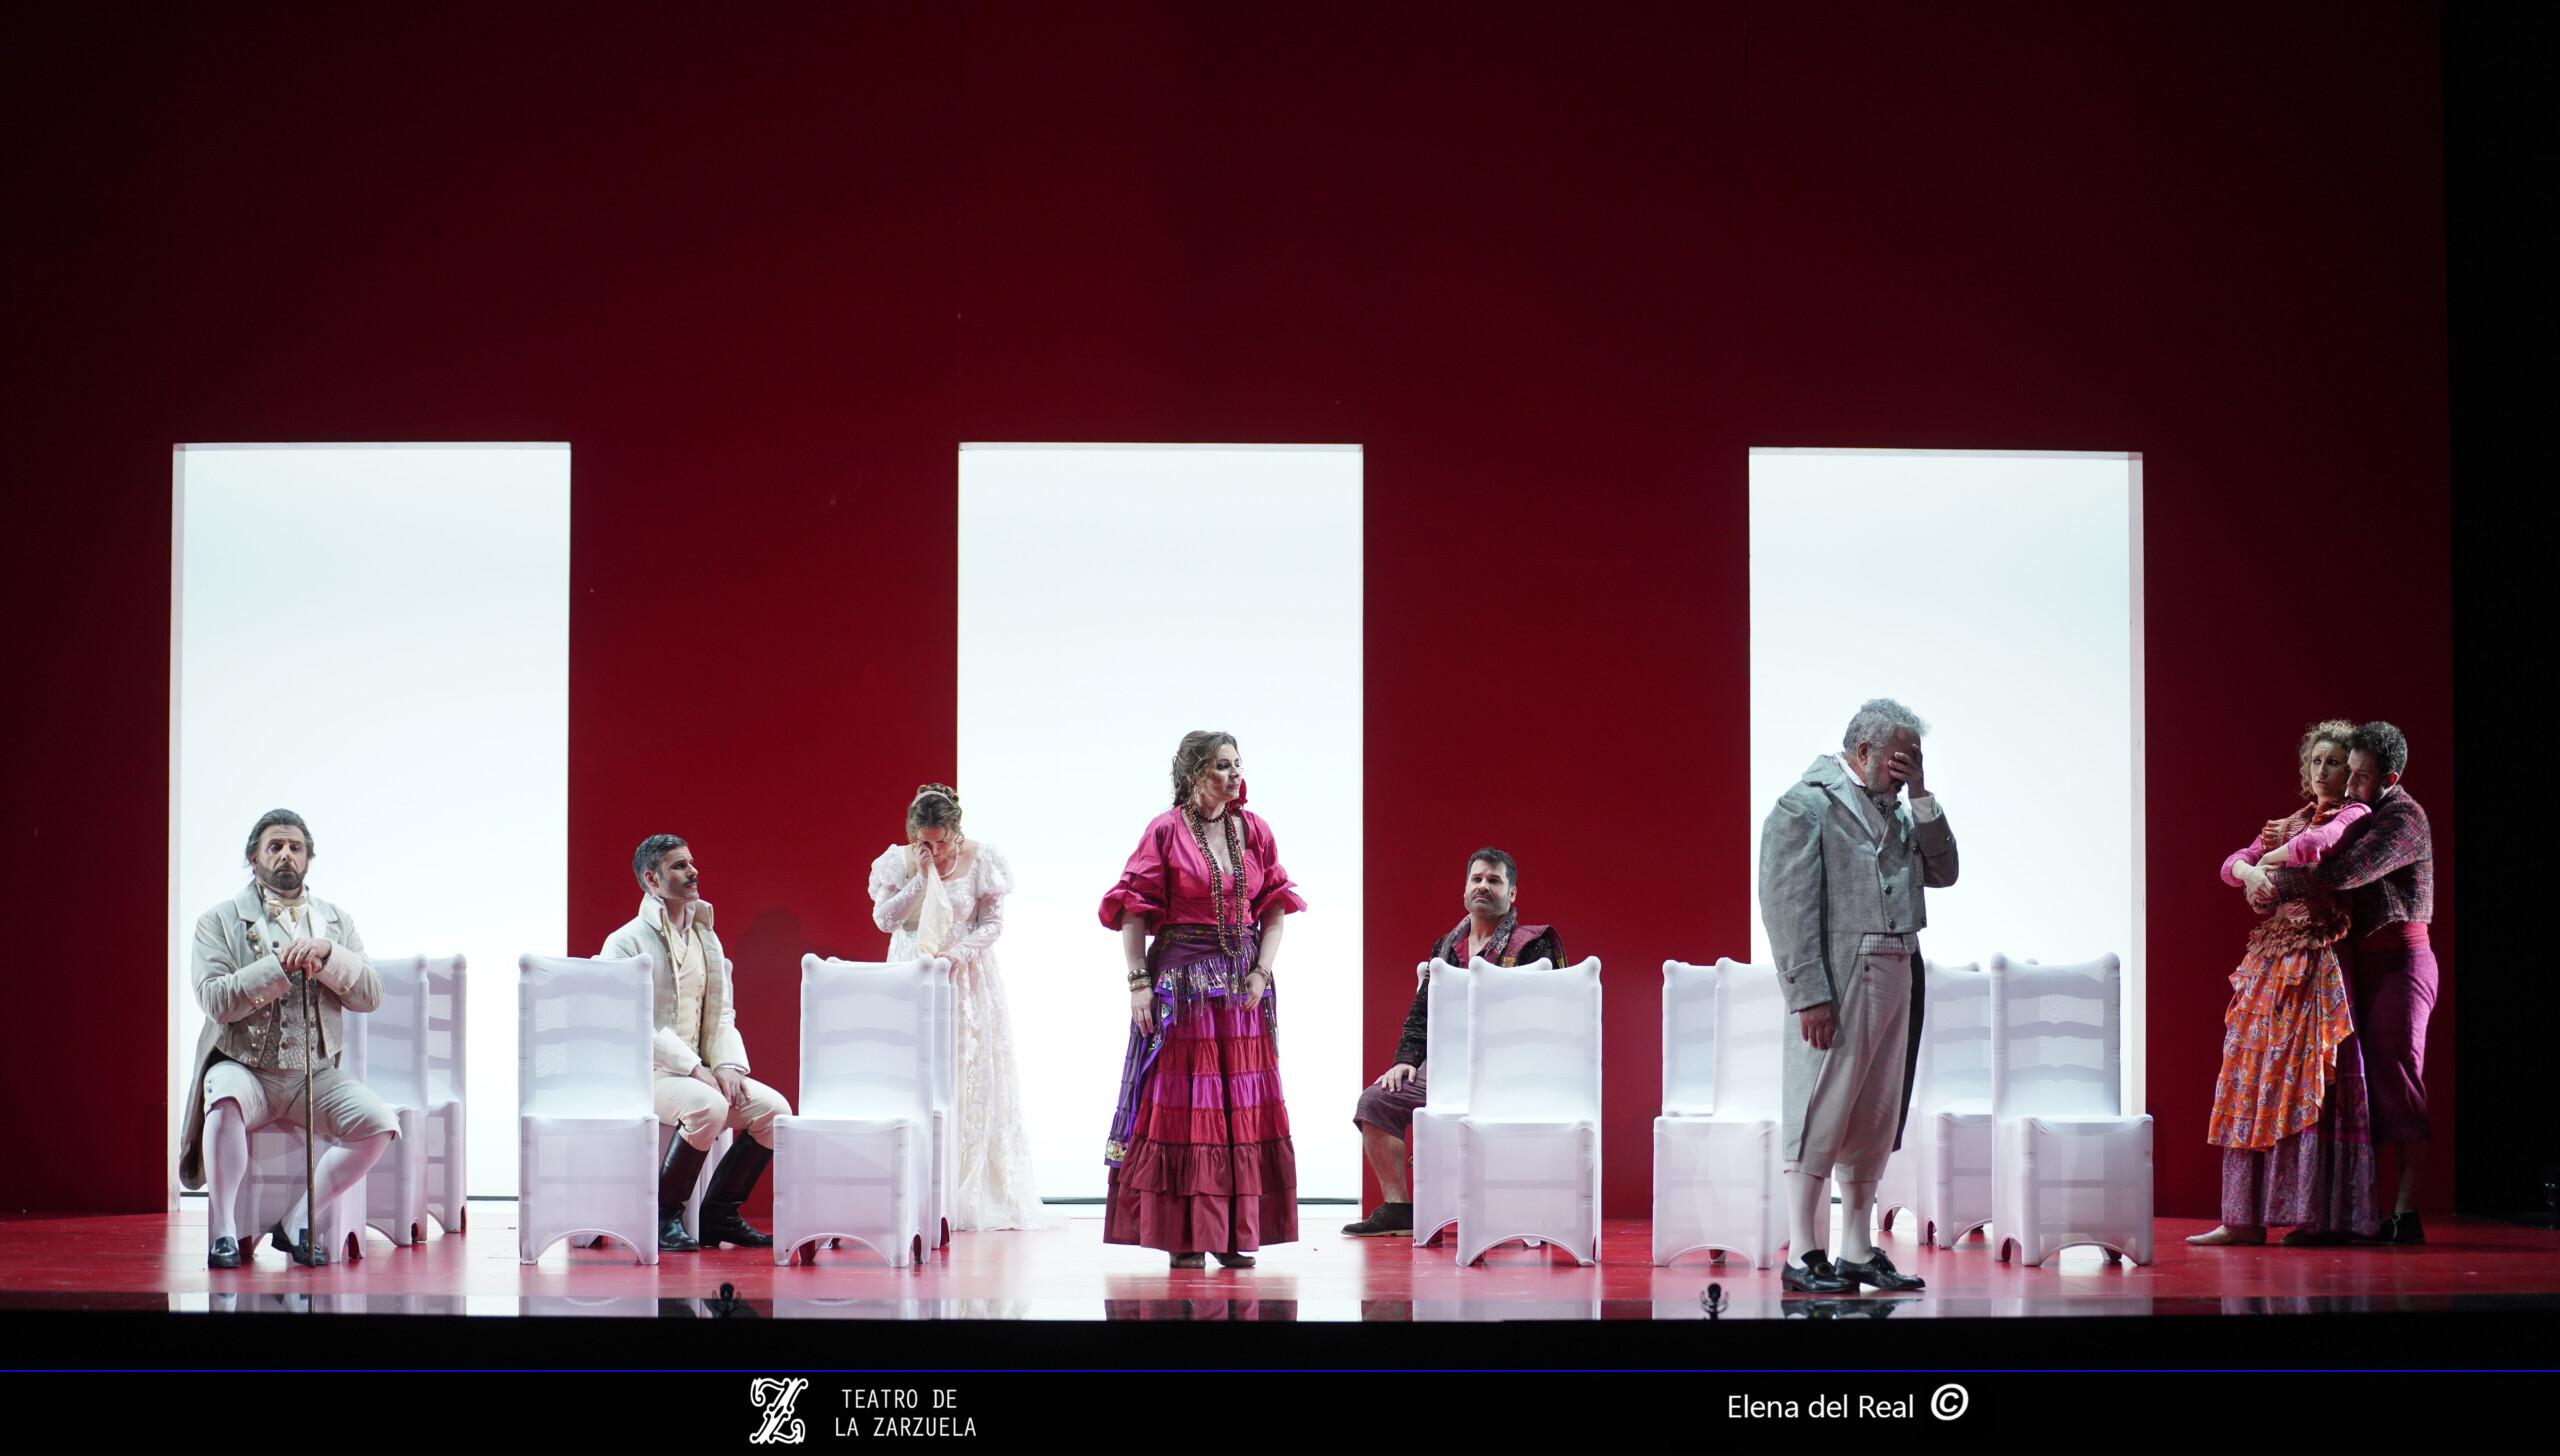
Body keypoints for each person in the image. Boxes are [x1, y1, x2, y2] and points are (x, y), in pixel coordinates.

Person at [1757, 699, 1957, 1294]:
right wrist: (1808, 992)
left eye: (1913, 759)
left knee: (1876, 1114)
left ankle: (1857, 1250)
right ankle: (1803, 1250)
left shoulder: (1902, 811)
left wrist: (1921, 793)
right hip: (1842, 974)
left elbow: (1944, 870)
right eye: (1898, 757)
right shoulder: (1804, 805)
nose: (1904, 768)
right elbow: (1785, 907)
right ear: (1863, 751)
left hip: (1900, 964)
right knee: (1822, 1106)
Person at [1098, 731, 1305, 1269]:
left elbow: (1274, 909)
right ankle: (1185, 1235)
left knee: (1238, 1108)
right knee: (1189, 1109)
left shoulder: (1254, 829)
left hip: (1241, 988)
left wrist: (1262, 971)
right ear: (1193, 775)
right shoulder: (1164, 831)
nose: (1234, 775)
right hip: (1184, 988)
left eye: (1237, 765)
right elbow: (1133, 909)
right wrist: (1138, 983)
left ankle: (1234, 1233)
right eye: (1221, 766)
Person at [2189, 721, 2381, 1248]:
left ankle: (2315, 1215)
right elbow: (2232, 864)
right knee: (2252, 1072)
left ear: (2351, 771)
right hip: (2271, 959)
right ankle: (2241, 1218)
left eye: (2335, 763)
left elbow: (2314, 848)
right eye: (2317, 762)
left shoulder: (2354, 815)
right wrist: (2250, 874)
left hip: (2316, 958)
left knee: (2304, 1079)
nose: (2323, 771)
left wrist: (2262, 867)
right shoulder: (2288, 820)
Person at [178, 810, 397, 1268]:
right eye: (274, 846)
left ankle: (299, 1220)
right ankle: (222, 1231)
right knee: (224, 1101)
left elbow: (371, 994)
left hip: (312, 1076)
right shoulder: (217, 921)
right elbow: (214, 999)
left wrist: (328, 954)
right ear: (253, 858)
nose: (285, 855)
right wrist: (277, 968)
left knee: (380, 1123)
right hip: (244, 1067)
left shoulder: (336, 922)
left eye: (295, 848)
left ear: (308, 861)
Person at [2250, 720, 2436, 1243]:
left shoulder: (2403, 818)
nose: (2347, 785)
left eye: (2359, 777)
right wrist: (2263, 882)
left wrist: (2270, 876)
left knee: (2398, 1082)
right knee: (2349, 1090)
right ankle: (2350, 1212)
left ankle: (2406, 1211)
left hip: (2399, 962)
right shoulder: (2357, 812)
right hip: (2355, 963)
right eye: (2345, 771)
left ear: (2389, 777)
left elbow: (2348, 872)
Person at [1341, 847, 1564, 1237]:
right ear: (1465, 889)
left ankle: (1513, 1214)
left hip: (1511, 1077)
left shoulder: (1532, 945)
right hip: (1446, 1075)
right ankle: (1399, 1210)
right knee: (1375, 1101)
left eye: (1494, 880)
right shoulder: (1446, 948)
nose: (1483, 886)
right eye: (1477, 879)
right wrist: (1404, 1059)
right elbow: (1421, 1013)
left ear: (1512, 894)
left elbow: (1542, 1021)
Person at [868, 783, 1056, 1230]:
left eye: (942, 841)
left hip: (965, 978)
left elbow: (992, 924)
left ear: (956, 833)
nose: (934, 848)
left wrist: (960, 953)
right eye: (925, 842)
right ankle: (911, 1185)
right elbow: (884, 920)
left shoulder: (983, 858)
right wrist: (920, 876)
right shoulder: (899, 859)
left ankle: (966, 1185)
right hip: (912, 973)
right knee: (916, 1075)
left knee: (967, 1073)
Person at [604, 834, 793, 1252]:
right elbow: (629, 1024)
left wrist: (727, 1065)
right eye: (679, 866)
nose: (693, 872)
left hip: (700, 1071)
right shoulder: (625, 942)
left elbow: (722, 1012)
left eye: (691, 863)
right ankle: (661, 1219)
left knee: (775, 1112)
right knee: (708, 1104)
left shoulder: (705, 937)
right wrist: (694, 1069)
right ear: (652, 880)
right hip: (645, 1074)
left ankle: (718, 1216)